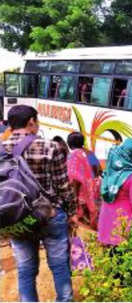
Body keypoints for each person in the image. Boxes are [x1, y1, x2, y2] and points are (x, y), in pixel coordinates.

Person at [2, 105, 75, 302]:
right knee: (60, 266)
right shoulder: (51, 147)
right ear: (31, 122)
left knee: (25, 269)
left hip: (17, 217)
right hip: (50, 214)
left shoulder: (1, 149)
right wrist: (72, 212)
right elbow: (63, 186)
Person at [98, 138, 132, 246]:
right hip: (123, 221)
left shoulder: (112, 169)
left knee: (108, 256)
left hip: (106, 218)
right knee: (121, 257)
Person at [67, 132, 101, 230]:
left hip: (80, 193)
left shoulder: (72, 156)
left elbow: (73, 179)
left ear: (69, 144)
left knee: (80, 224)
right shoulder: (90, 154)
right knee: (92, 221)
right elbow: (98, 170)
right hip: (93, 192)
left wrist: (73, 200)